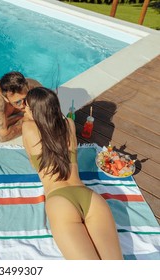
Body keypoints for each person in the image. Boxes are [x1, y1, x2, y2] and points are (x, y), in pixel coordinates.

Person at [22, 87, 123, 260]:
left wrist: (29, 112)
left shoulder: (28, 128)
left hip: (60, 202)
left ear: (33, 111)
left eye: (25, 106)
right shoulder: (68, 124)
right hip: (90, 199)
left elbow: (28, 121)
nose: (23, 109)